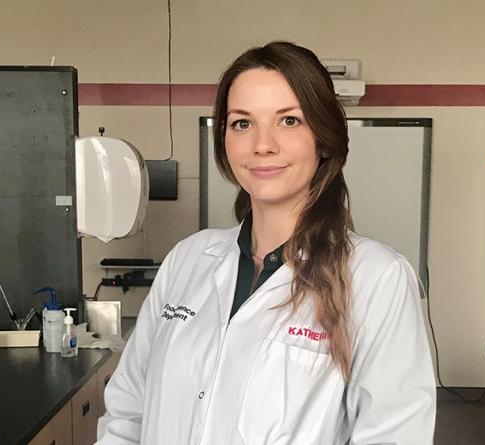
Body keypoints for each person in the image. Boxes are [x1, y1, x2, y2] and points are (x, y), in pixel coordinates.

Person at [97, 41, 436, 445]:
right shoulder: (187, 259)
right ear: (224, 139)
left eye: (289, 121)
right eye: (242, 123)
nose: (262, 144)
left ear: (324, 138)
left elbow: (393, 436)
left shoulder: (377, 278)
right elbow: (128, 408)